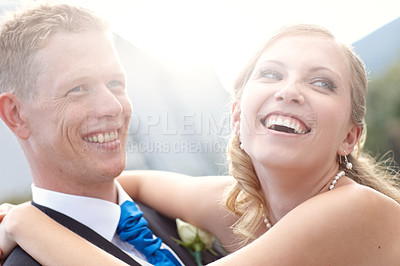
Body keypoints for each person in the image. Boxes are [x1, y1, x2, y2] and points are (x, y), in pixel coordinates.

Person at [2, 23, 400, 265]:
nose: (290, 91)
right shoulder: (241, 207)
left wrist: (26, 222)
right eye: (272, 74)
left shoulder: (356, 210)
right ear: (237, 116)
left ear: (350, 137)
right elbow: (131, 185)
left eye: (321, 83)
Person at [0, 2, 223, 266]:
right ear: (16, 114)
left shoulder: (180, 212)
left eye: (115, 83)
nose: (113, 106)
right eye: (78, 88)